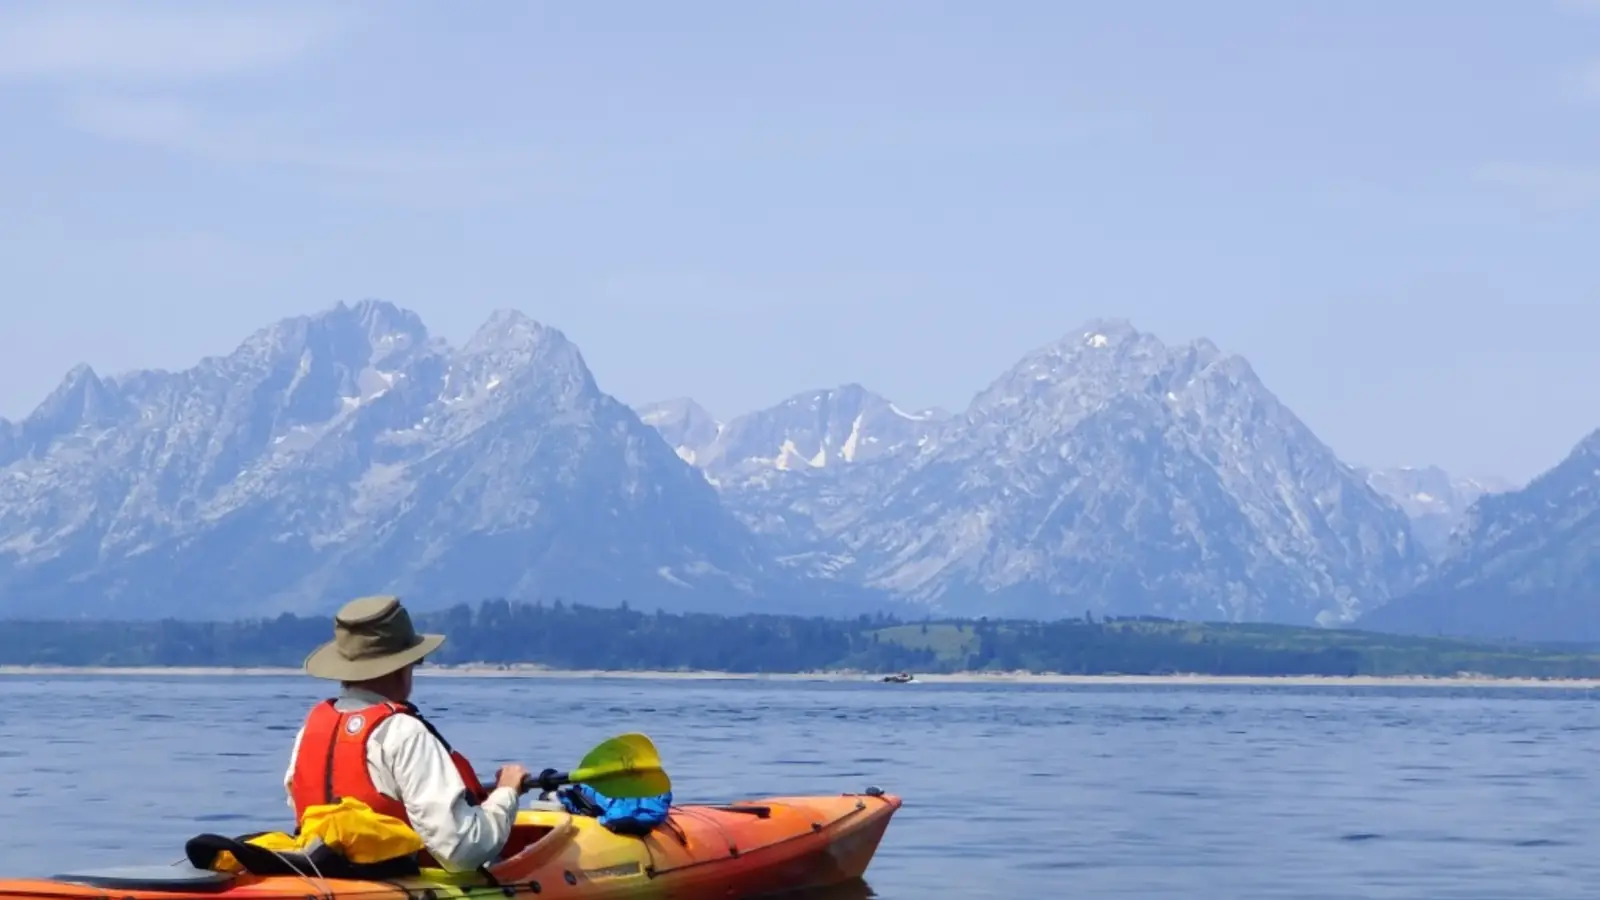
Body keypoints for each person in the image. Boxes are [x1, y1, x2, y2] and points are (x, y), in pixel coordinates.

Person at [283, 594, 533, 872]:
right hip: (392, 881)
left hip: (321, 876)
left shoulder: (310, 730)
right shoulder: (404, 732)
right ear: (402, 667)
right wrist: (507, 793)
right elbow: (461, 849)